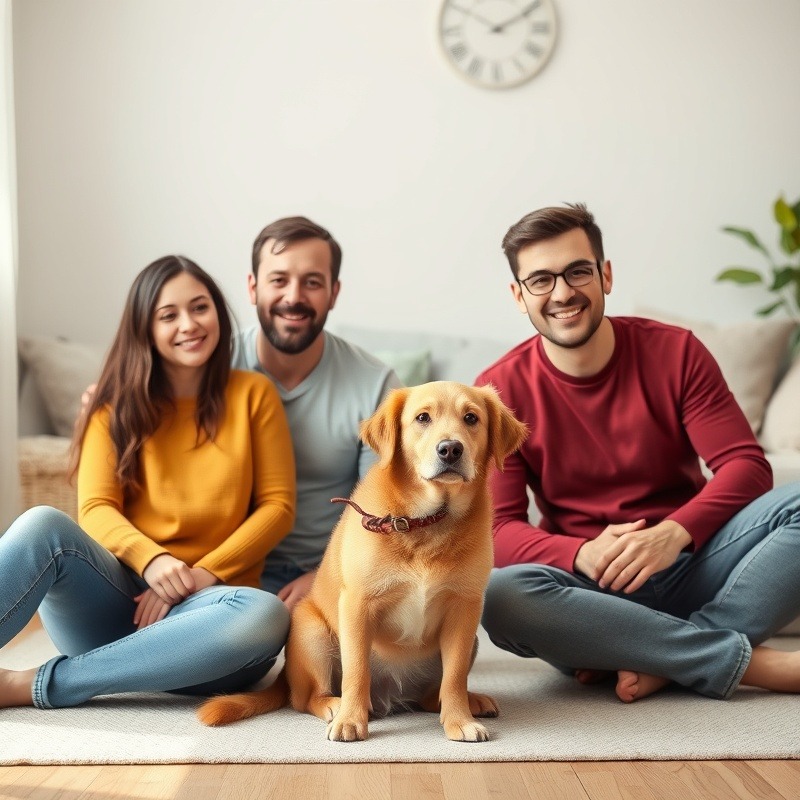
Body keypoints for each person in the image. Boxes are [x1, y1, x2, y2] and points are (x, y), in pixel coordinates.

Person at [476, 203, 800, 702]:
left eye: (578, 271)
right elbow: (495, 530)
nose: (562, 293)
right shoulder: (496, 392)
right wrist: (581, 552)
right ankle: (745, 662)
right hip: (590, 593)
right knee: (502, 599)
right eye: (540, 280)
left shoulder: (676, 352)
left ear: (605, 275)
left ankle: (665, 656)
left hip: (695, 563)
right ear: (519, 297)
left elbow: (745, 466)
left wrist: (674, 533)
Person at [0, 256, 296, 710]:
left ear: (218, 311)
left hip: (210, 621)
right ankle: (110, 667)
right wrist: (155, 563)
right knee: (41, 525)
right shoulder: (111, 405)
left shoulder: (253, 395)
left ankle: (36, 685)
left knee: (265, 614)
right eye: (168, 315)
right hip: (118, 605)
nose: (189, 324)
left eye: (200, 307)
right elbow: (96, 507)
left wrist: (196, 576)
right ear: (145, 328)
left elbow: (278, 507)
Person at [232, 216, 402, 607]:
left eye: (312, 282)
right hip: (230, 568)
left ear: (334, 292)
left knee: (414, 665)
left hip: (335, 569)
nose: (294, 296)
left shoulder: (376, 384)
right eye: (278, 280)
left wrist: (328, 574)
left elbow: (383, 510)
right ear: (252, 287)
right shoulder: (212, 366)